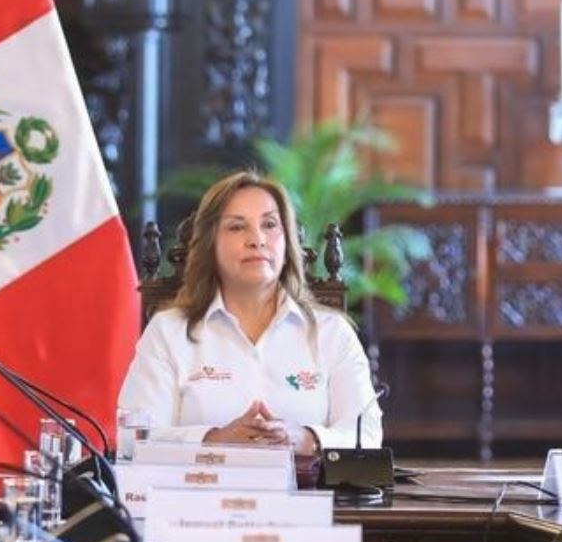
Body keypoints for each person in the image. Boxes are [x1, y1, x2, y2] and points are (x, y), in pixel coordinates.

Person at [118, 171, 381, 454]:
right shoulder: (168, 331)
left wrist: (305, 439)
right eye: (236, 227)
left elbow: (367, 434)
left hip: (308, 495)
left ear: (287, 243)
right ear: (211, 244)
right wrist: (213, 441)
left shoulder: (332, 333)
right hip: (199, 494)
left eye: (269, 224)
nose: (256, 239)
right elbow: (132, 440)